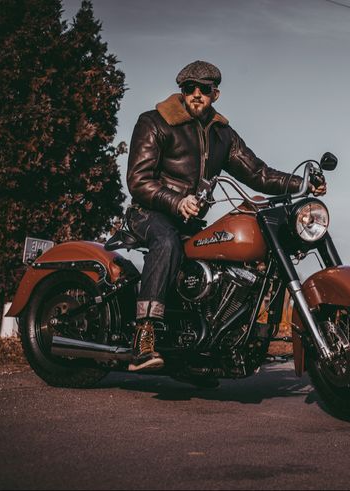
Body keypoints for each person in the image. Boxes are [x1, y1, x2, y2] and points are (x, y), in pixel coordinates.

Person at [125, 60, 326, 372]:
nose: (195, 94)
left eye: (203, 89)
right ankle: (144, 335)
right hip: (150, 213)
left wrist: (301, 184)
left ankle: (209, 348)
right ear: (181, 91)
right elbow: (138, 181)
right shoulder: (155, 122)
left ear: (214, 94)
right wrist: (176, 201)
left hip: (191, 222)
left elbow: (257, 172)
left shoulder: (223, 135)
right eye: (188, 88)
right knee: (166, 242)